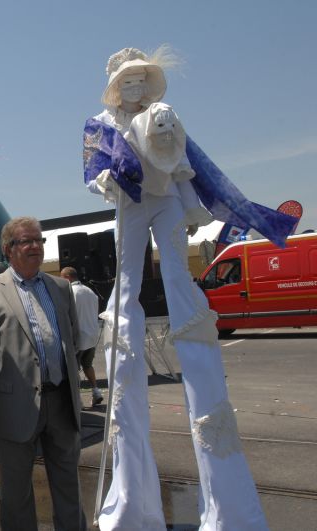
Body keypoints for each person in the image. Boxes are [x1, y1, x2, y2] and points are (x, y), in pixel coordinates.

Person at [83, 47, 276, 530]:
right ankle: (132, 505)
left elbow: (185, 159)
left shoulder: (162, 115)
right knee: (126, 278)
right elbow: (91, 170)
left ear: (147, 84)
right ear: (115, 87)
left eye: (139, 81)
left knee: (176, 272)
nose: (134, 89)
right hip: (129, 203)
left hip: (166, 199)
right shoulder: (100, 123)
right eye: (126, 82)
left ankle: (188, 311)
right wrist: (106, 179)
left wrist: (189, 201)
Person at [0, 217, 86, 531]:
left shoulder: (60, 287)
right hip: (14, 405)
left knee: (68, 485)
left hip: (61, 401)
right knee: (16, 490)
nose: (35, 246)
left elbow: (71, 338)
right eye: (27, 241)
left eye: (39, 240)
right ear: (8, 249)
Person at [59, 266, 103, 407]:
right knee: (88, 365)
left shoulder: (70, 292)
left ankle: (78, 400)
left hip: (78, 338)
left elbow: (67, 316)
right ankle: (96, 392)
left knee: (73, 370)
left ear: (67, 278)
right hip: (92, 336)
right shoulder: (90, 291)